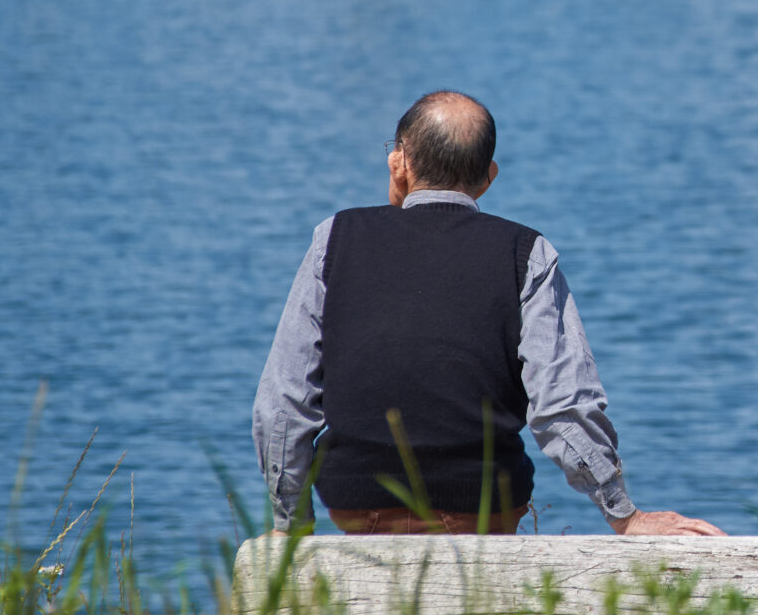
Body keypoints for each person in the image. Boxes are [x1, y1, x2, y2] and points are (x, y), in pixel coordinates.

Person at [253, 90, 724, 538]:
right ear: (489, 176)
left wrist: (289, 523)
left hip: (357, 502)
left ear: (399, 159)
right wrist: (623, 513)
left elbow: (284, 402)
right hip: (482, 504)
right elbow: (563, 404)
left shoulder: (336, 239)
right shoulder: (525, 252)